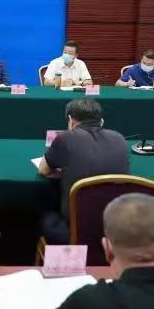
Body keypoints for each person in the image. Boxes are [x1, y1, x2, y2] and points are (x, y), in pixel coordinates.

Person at [38, 98, 129, 244]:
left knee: (45, 214)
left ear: (70, 120)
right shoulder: (120, 139)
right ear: (101, 121)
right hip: (115, 227)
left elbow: (43, 170)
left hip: (75, 228)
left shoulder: (65, 138)